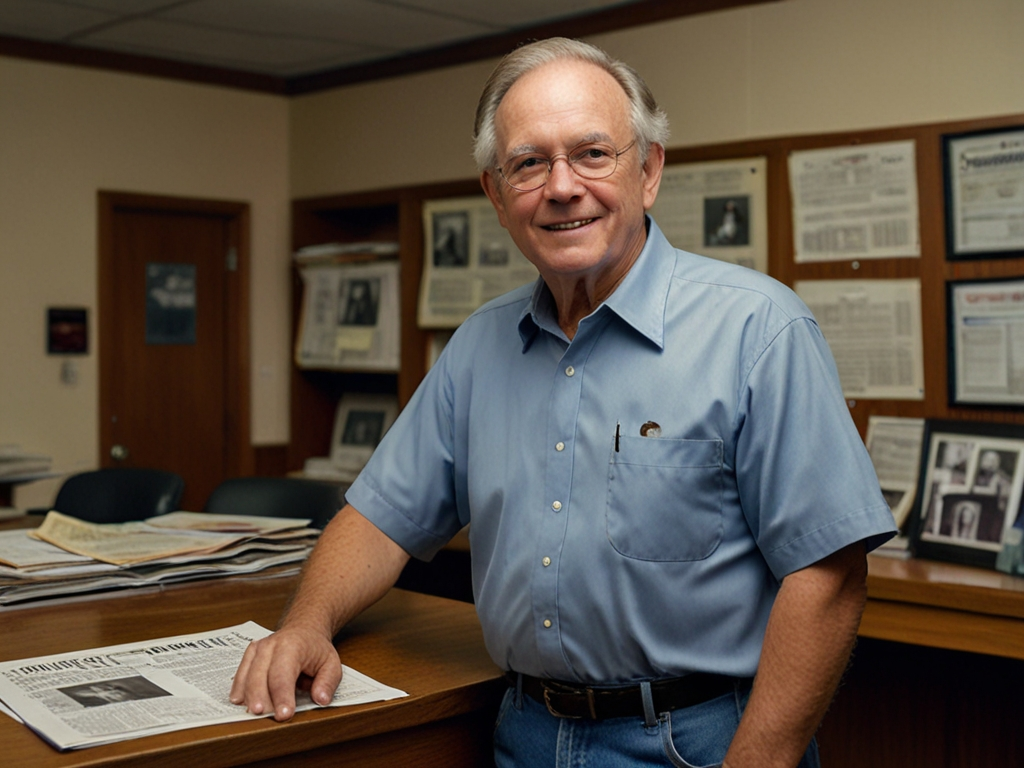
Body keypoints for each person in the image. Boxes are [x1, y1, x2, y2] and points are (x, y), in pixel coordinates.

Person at [231, 37, 895, 767]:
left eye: (592, 153)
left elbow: (828, 573)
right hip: (525, 730)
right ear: (496, 194)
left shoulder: (758, 330)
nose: (561, 186)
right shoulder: (479, 348)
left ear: (649, 170)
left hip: (700, 740)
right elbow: (379, 519)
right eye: (529, 163)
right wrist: (306, 624)